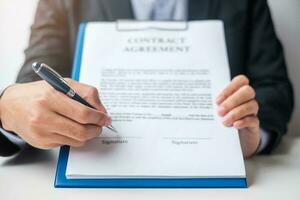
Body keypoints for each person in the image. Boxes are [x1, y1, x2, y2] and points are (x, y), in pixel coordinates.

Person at [0, 0, 294, 158]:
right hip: (98, 160)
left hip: (215, 165)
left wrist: (250, 141)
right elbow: (33, 87)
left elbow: (274, 87)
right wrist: (8, 113)